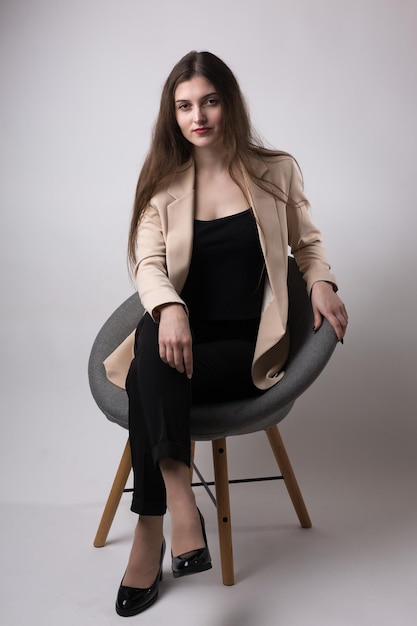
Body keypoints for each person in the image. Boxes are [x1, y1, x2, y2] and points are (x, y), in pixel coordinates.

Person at [110, 50, 348, 617]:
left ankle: (153, 530)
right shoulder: (161, 186)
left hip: (242, 349)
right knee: (155, 344)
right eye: (185, 105)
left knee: (150, 368)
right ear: (172, 115)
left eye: (210, 101)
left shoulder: (276, 170)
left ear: (229, 104)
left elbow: (307, 243)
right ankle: (176, 508)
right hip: (177, 339)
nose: (199, 116)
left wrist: (320, 281)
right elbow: (147, 266)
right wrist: (170, 308)